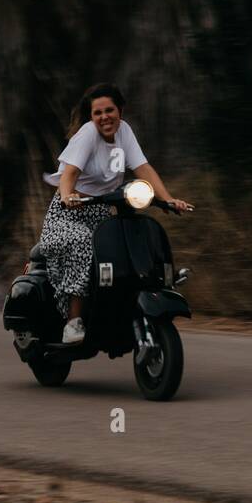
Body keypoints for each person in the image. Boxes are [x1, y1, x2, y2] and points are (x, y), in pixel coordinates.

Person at [38, 82, 193, 344]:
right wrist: (67, 196)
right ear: (91, 117)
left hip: (102, 212)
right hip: (68, 213)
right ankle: (73, 321)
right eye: (97, 113)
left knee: (132, 238)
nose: (104, 117)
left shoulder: (125, 132)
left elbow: (142, 168)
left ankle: (136, 298)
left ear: (120, 110)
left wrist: (167, 199)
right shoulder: (87, 135)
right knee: (82, 243)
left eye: (109, 110)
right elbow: (69, 175)